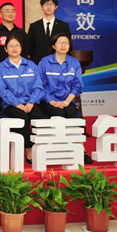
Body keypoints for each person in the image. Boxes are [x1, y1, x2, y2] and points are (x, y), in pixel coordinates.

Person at [37, 33, 92, 164]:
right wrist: (51, 101)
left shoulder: (74, 62)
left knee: (71, 113)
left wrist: (66, 102)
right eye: (60, 42)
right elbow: (39, 85)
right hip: (47, 101)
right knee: (59, 113)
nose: (63, 45)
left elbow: (77, 85)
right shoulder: (44, 62)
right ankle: (58, 149)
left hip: (66, 101)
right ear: (53, 46)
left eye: (66, 43)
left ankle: (81, 150)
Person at [0, 34, 45, 162]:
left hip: (30, 102)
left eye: (17, 45)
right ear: (5, 49)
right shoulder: (0, 67)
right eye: (10, 46)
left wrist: (31, 102)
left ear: (21, 48)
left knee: (38, 117)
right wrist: (17, 104)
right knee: (21, 118)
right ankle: (28, 148)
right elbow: (2, 90)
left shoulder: (31, 65)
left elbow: (38, 86)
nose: (14, 48)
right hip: (10, 104)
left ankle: (40, 147)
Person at [28, 0, 72, 64]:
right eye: (46, 4)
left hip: (58, 63)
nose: (49, 7)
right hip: (39, 63)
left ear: (56, 7)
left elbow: (68, 45)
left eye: (51, 4)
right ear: (41, 6)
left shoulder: (63, 26)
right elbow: (30, 47)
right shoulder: (34, 26)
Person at [0, 2, 28, 67]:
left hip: (19, 68)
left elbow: (25, 53)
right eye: (7, 11)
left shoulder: (22, 33)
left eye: (13, 11)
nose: (10, 14)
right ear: (0, 14)